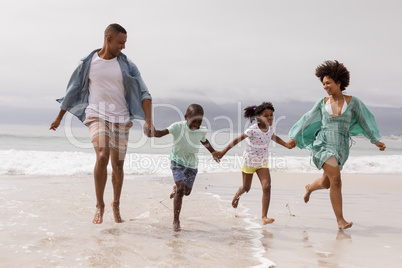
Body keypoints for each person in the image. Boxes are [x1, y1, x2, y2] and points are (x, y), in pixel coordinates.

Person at [49, 23, 153, 224]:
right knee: (103, 155)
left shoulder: (128, 66)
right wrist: (59, 117)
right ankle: (100, 204)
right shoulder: (88, 64)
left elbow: (145, 94)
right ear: (108, 39)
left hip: (121, 119)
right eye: (120, 42)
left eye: (125, 43)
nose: (123, 47)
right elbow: (72, 91)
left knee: (118, 166)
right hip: (96, 115)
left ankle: (115, 204)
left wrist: (148, 121)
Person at [287, 60, 386, 229]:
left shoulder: (354, 103)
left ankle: (310, 187)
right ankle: (340, 220)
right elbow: (306, 119)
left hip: (341, 146)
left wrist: (375, 139)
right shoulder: (321, 103)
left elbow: (365, 121)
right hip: (323, 143)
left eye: (328, 83)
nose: (325, 86)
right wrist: (294, 136)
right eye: (323, 84)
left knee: (327, 183)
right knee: (337, 180)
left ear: (338, 82)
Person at [213, 102, 291, 225]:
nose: (270, 117)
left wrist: (286, 144)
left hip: (262, 162)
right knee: (246, 188)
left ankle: (264, 217)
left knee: (267, 187)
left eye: (271, 115)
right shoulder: (253, 129)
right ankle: (237, 195)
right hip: (249, 161)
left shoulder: (270, 128)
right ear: (258, 117)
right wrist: (222, 152)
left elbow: (274, 137)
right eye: (266, 115)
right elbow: (236, 140)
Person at [152, 104, 219, 231]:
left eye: (200, 121)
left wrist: (213, 152)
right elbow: (161, 133)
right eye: (194, 120)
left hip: (192, 165)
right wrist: (153, 132)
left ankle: (176, 188)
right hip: (177, 162)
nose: (197, 123)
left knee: (186, 192)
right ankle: (176, 220)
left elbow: (204, 141)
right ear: (186, 117)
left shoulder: (201, 130)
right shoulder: (178, 127)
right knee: (181, 189)